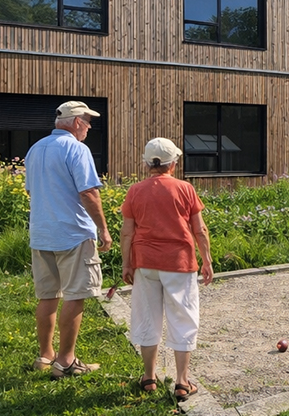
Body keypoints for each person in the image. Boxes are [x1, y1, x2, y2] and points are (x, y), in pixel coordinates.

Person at [120, 137, 214, 400]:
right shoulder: (185, 189)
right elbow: (200, 229)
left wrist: (126, 263)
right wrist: (206, 260)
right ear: (173, 163)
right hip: (179, 263)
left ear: (146, 163)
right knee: (182, 318)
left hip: (145, 262)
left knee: (147, 317)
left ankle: (149, 377)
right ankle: (182, 382)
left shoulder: (135, 191)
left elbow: (127, 232)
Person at [24, 100, 113, 378]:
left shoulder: (35, 149)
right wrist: (103, 229)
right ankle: (66, 361)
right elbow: (88, 192)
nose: (88, 128)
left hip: (41, 233)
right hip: (73, 233)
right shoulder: (77, 148)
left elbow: (32, 190)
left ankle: (45, 355)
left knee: (47, 296)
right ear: (76, 122)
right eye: (87, 122)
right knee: (76, 296)